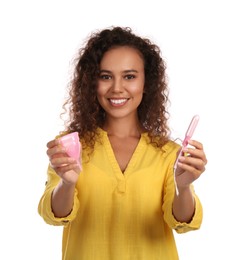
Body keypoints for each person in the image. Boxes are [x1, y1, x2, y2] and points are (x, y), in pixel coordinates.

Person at [38, 26, 207, 260]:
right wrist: (66, 184)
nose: (117, 88)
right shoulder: (70, 146)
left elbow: (181, 222)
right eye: (105, 76)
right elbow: (54, 215)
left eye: (129, 76)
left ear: (146, 83)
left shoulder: (169, 154)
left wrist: (184, 186)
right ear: (91, 83)